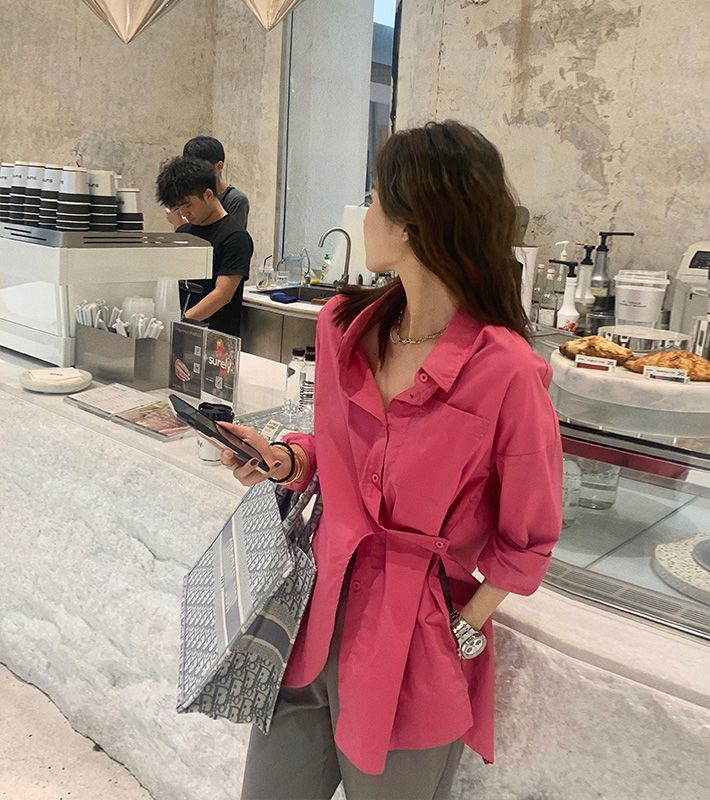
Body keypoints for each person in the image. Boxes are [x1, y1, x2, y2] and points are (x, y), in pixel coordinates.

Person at [218, 121, 563, 800]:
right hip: (307, 612)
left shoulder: (507, 372)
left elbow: (529, 538)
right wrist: (284, 460)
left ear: (412, 225)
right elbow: (333, 453)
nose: (366, 214)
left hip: (413, 648)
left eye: (375, 199)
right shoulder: (344, 327)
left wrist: (461, 628)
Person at [156, 157, 253, 337]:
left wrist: (181, 323)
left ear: (208, 195)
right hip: (180, 333)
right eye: (178, 208)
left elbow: (222, 295)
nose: (184, 213)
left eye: (188, 205)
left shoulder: (235, 238)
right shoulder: (184, 232)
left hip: (216, 341)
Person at [165, 135, 249, 230]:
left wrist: (180, 225)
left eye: (201, 169)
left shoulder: (235, 200)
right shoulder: (189, 195)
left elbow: (232, 237)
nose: (195, 174)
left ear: (219, 166)